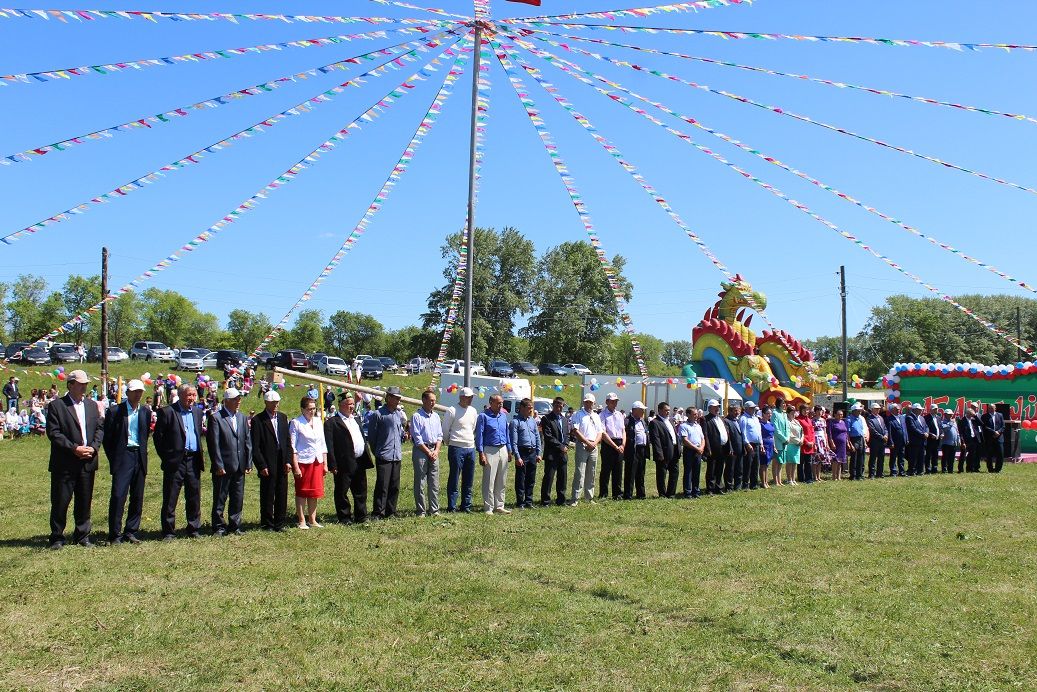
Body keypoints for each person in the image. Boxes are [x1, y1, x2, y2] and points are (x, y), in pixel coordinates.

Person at [45, 369, 104, 549]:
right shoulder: (57, 406)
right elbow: (54, 433)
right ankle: (57, 536)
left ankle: (82, 535)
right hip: (65, 462)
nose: (84, 387)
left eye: (86, 383)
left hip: (87, 461)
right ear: (70, 385)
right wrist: (74, 448)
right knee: (61, 500)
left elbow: (99, 429)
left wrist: (93, 448)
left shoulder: (92, 406)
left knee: (84, 501)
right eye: (80, 384)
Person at [101, 378, 151, 545]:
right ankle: (115, 534)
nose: (138, 395)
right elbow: (107, 438)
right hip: (123, 456)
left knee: (137, 496)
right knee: (118, 494)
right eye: (135, 391)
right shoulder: (116, 411)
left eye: (140, 392)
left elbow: (145, 435)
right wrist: (114, 457)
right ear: (127, 393)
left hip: (139, 455)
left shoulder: (145, 411)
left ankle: (131, 531)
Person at [154, 384, 204, 541]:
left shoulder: (197, 411)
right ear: (181, 395)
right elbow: (158, 438)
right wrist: (167, 457)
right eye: (189, 395)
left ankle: (193, 528)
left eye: (194, 395)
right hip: (175, 461)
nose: (191, 398)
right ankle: (169, 531)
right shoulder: (167, 412)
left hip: (193, 459)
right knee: (170, 496)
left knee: (194, 495)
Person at [206, 387, 252, 536]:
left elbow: (247, 441)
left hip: (239, 464)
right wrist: (218, 464)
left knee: (237, 496)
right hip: (224, 465)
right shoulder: (216, 418)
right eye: (235, 399)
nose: (238, 402)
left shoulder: (242, 418)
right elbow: (214, 444)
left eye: (239, 399)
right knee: (220, 496)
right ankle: (219, 526)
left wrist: (248, 462)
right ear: (226, 401)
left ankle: (235, 525)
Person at [325, 392, 372, 524]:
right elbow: (330, 445)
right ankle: (344, 517)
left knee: (361, 490)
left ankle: (361, 516)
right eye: (348, 404)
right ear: (340, 404)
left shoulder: (356, 419)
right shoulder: (332, 423)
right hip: (343, 462)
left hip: (359, 460)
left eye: (352, 404)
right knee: (342, 491)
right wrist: (332, 464)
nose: (351, 406)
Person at [251, 390, 292, 531]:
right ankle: (267, 523)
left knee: (282, 493)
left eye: (277, 402)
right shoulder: (258, 420)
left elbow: (287, 442)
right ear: (266, 403)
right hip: (267, 461)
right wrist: (261, 465)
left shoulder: (282, 418)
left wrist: (288, 461)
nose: (275, 405)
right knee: (268, 493)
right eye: (273, 403)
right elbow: (255, 447)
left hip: (282, 461)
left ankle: (280, 523)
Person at [366, 387, 407, 520]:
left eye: (399, 398)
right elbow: (372, 437)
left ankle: (391, 511)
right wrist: (377, 451)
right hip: (384, 454)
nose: (397, 400)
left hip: (396, 455)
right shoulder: (378, 414)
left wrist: (403, 435)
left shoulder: (398, 414)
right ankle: (378, 512)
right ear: (388, 397)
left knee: (394, 485)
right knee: (382, 485)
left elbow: (399, 432)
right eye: (395, 398)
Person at [289, 396, 328, 528]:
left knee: (314, 492)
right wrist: (296, 466)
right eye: (309, 409)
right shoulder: (296, 423)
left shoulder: (318, 422)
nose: (312, 411)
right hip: (303, 462)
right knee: (302, 491)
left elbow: (323, 444)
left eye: (314, 408)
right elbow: (292, 446)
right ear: (302, 409)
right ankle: (301, 520)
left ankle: (313, 519)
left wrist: (325, 463)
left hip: (317, 461)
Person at [442, 387, 478, 513]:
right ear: (461, 397)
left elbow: (473, 428)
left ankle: (466, 505)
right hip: (456, 447)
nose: (471, 399)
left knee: (469, 478)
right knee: (454, 477)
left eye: (471, 397)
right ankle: (452, 506)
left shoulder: (473, 411)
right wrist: (449, 442)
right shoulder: (452, 411)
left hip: (470, 447)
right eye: (469, 397)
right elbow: (445, 430)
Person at [475, 394, 512, 514]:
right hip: (490, 449)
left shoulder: (503, 416)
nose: (500, 405)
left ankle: (499, 505)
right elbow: (479, 435)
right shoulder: (483, 416)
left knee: (502, 478)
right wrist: (481, 452)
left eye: (502, 403)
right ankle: (488, 506)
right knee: (489, 479)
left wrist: (509, 449)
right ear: (491, 402)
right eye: (498, 403)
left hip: (503, 448)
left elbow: (507, 434)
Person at [409, 390, 443, 517]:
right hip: (421, 451)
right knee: (420, 481)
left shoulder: (436, 416)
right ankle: (421, 510)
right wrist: (428, 451)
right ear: (424, 400)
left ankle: (434, 510)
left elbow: (440, 435)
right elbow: (417, 438)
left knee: (434, 482)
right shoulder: (416, 416)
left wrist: (436, 450)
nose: (433, 403)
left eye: (434, 400)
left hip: (434, 450)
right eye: (431, 400)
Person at [568, 393, 604, 506]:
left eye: (591, 402)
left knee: (591, 472)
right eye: (587, 402)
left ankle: (589, 497)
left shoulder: (597, 416)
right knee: (580, 472)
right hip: (582, 445)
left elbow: (600, 432)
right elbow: (576, 430)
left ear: (594, 403)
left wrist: (594, 443)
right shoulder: (578, 414)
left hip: (594, 445)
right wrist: (588, 443)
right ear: (583, 402)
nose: (589, 404)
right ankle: (575, 498)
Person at [509, 398, 541, 509]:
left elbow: (537, 437)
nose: (530, 411)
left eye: (531, 409)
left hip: (532, 452)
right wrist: (517, 456)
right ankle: (520, 502)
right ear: (521, 408)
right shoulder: (515, 422)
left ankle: (529, 501)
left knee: (531, 478)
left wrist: (538, 452)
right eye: (528, 408)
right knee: (521, 479)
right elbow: (514, 441)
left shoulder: (532, 421)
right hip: (522, 452)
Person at [541, 396, 570, 505]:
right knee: (549, 477)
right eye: (556, 406)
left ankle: (561, 500)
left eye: (561, 406)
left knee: (562, 477)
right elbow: (548, 436)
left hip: (563, 453)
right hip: (552, 453)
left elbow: (567, 435)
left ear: (563, 406)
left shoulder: (565, 419)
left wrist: (566, 445)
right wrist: (560, 446)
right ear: (553, 405)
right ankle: (545, 501)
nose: (559, 408)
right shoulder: (546, 419)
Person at [598, 392, 626, 500]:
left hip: (619, 442)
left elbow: (623, 430)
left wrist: (623, 444)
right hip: (608, 444)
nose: (614, 403)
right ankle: (603, 493)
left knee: (618, 470)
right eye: (612, 401)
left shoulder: (619, 414)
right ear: (607, 402)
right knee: (606, 469)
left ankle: (617, 493)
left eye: (616, 401)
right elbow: (603, 433)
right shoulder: (602, 415)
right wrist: (615, 446)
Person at [648, 401, 679, 498]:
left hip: (674, 449)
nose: (668, 412)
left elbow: (674, 435)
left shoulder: (670, 421)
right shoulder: (654, 422)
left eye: (669, 410)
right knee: (662, 474)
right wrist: (659, 453)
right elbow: (655, 439)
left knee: (675, 472)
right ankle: (662, 493)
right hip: (663, 451)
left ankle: (671, 493)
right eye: (666, 410)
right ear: (660, 410)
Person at [702, 399, 731, 494]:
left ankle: (718, 487)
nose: (717, 409)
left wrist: (729, 446)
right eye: (714, 407)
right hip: (713, 448)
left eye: (718, 407)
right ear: (710, 408)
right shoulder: (705, 419)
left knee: (720, 468)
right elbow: (705, 435)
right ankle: (710, 488)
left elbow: (726, 432)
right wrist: (708, 449)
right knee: (711, 469)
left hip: (723, 447)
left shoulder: (721, 419)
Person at [678, 408, 704, 498]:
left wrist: (701, 448)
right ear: (688, 415)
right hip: (689, 450)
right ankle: (688, 492)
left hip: (698, 450)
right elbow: (685, 440)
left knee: (697, 472)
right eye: (694, 414)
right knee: (688, 472)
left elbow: (702, 438)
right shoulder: (684, 426)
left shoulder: (698, 426)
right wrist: (697, 448)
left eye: (697, 414)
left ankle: (696, 491)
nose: (696, 416)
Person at [739, 401, 762, 490]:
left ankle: (754, 483)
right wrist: (747, 443)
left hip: (756, 444)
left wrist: (761, 443)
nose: (753, 409)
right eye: (751, 408)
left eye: (754, 408)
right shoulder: (744, 418)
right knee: (747, 465)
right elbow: (743, 432)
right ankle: (745, 484)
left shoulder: (755, 418)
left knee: (756, 465)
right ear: (746, 408)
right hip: (749, 444)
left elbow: (758, 431)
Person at [723, 404, 745, 492]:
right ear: (730, 411)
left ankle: (738, 486)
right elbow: (728, 436)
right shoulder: (726, 421)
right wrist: (730, 448)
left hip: (740, 448)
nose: (737, 412)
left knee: (739, 468)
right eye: (735, 411)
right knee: (730, 469)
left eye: (738, 410)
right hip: (731, 449)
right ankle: (729, 487)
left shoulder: (738, 420)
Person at [905, 402, 929, 476]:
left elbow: (926, 426)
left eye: (921, 409)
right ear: (914, 410)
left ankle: (920, 471)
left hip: (922, 441)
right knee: (913, 457)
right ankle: (911, 471)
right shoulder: (909, 417)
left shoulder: (922, 418)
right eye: (919, 409)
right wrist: (922, 434)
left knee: (921, 457)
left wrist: (927, 433)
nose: (920, 411)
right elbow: (913, 428)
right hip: (914, 441)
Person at [980, 404, 1005, 473]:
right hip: (989, 438)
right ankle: (990, 469)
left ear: (995, 408)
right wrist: (993, 432)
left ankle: (998, 469)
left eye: (992, 408)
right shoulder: (984, 416)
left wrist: (998, 432)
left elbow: (1003, 426)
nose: (990, 409)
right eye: (989, 408)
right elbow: (984, 427)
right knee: (989, 455)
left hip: (999, 438)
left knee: (1000, 454)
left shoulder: (1000, 415)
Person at [958, 405, 983, 473]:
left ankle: (969, 468)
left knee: (972, 455)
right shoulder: (962, 421)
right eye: (971, 414)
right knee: (963, 455)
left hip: (973, 439)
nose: (972, 415)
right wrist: (963, 442)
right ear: (967, 413)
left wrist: (975, 416)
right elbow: (961, 433)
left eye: (973, 414)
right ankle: (960, 469)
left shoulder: (973, 420)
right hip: (966, 440)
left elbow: (981, 424)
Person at [866, 402, 889, 478]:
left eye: (878, 409)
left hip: (882, 441)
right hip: (875, 441)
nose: (878, 410)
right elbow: (872, 430)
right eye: (876, 409)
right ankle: (871, 474)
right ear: (872, 409)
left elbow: (885, 428)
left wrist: (886, 435)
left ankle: (880, 473)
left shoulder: (880, 417)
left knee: (881, 458)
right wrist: (881, 437)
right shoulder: (869, 418)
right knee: (873, 458)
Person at [771, 398, 790, 487]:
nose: (784, 405)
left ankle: (779, 481)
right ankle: (775, 481)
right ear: (779, 404)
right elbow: (775, 429)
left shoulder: (784, 414)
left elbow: (788, 428)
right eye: (783, 403)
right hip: (778, 441)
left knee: (781, 462)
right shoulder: (775, 413)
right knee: (776, 462)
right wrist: (784, 439)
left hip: (785, 442)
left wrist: (788, 438)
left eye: (785, 403)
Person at [827, 408, 849, 481]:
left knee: (840, 461)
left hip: (842, 444)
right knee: (835, 460)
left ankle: (839, 476)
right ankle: (834, 476)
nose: (840, 416)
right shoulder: (832, 422)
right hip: (835, 443)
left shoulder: (843, 422)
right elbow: (829, 434)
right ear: (835, 415)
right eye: (839, 414)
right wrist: (831, 442)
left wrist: (847, 442)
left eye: (841, 414)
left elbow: (846, 433)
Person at [846, 403, 867, 481]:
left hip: (860, 438)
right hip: (853, 439)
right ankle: (853, 475)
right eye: (858, 411)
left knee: (861, 457)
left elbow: (861, 430)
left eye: (860, 411)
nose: (860, 412)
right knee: (854, 457)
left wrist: (864, 441)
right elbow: (847, 433)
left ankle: (859, 474)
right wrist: (849, 443)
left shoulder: (860, 419)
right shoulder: (849, 419)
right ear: (854, 411)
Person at [796, 404, 815, 484]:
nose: (806, 412)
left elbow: (812, 432)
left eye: (807, 410)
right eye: (804, 410)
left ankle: (809, 478)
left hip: (810, 444)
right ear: (801, 410)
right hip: (803, 444)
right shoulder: (798, 420)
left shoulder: (809, 420)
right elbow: (800, 433)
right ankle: (801, 478)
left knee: (809, 462)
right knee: (801, 462)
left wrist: (813, 442)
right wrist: (807, 442)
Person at [886, 403, 907, 477]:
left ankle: (901, 471)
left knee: (901, 457)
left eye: (898, 409)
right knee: (893, 457)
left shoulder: (901, 417)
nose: (898, 410)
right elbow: (889, 431)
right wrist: (890, 442)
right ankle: (893, 471)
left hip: (902, 441)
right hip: (894, 442)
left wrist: (906, 438)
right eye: (896, 409)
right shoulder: (889, 419)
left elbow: (904, 429)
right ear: (892, 410)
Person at [939, 409, 960, 474]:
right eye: (949, 414)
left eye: (951, 414)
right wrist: (951, 422)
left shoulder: (954, 422)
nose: (951, 415)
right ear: (945, 415)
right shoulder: (942, 422)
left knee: (951, 457)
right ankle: (944, 470)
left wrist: (958, 439)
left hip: (953, 443)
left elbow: (957, 431)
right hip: (946, 443)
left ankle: (950, 470)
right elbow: (946, 429)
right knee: (945, 457)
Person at [785, 408, 803, 485]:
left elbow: (802, 431)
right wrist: (798, 441)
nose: (793, 414)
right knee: (790, 462)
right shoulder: (787, 422)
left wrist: (802, 439)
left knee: (795, 462)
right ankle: (789, 479)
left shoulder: (797, 421)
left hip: (798, 444)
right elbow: (789, 434)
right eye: (792, 413)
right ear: (788, 413)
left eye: (794, 413)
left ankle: (793, 478)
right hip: (791, 444)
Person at [759, 406, 775, 489]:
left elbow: (773, 436)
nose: (769, 415)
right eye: (768, 413)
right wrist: (761, 445)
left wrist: (774, 446)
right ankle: (763, 482)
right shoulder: (760, 424)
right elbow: (760, 435)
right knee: (763, 464)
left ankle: (766, 481)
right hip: (764, 444)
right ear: (763, 414)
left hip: (770, 444)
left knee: (767, 464)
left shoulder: (770, 423)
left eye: (770, 413)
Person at [924, 404, 942, 474]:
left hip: (937, 440)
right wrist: (931, 434)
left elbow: (940, 427)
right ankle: (927, 469)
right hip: (930, 439)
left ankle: (934, 468)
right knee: (928, 454)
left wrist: (942, 433)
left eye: (937, 409)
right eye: (934, 409)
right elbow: (925, 428)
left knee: (935, 454)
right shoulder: (926, 418)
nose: (936, 410)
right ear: (930, 410)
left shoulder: (939, 418)